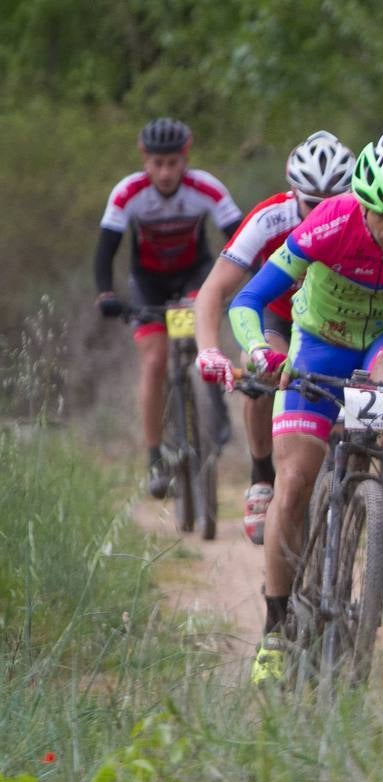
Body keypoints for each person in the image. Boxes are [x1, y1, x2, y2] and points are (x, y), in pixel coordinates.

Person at [220, 132, 383, 686]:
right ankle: (275, 629)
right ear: (360, 202)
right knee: (293, 483)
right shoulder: (329, 223)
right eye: (379, 213)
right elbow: (248, 299)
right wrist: (265, 351)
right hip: (317, 343)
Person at [193, 130, 356, 545]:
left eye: (331, 205)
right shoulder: (271, 218)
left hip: (343, 323)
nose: (321, 215)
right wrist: (208, 350)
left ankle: (377, 514)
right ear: (292, 191)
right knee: (261, 371)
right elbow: (214, 290)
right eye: (311, 206)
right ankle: (262, 474)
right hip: (281, 318)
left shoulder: (370, 221)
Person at [94, 117, 244, 497]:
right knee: (155, 361)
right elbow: (105, 251)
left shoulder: (205, 189)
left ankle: (213, 407)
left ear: (185, 157)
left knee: (201, 334)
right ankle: (154, 459)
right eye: (157, 163)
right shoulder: (128, 193)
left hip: (195, 277)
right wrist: (106, 295)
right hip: (148, 283)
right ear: (144, 158)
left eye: (172, 163)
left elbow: (241, 238)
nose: (164, 172)